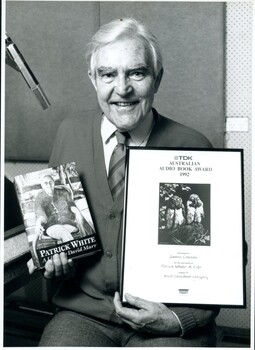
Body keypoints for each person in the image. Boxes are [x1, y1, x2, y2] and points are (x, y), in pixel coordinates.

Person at [27, 18, 220, 347]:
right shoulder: (69, 133)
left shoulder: (193, 146)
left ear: (156, 78)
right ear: (93, 79)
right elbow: (63, 235)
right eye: (108, 74)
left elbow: (219, 261)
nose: (122, 88)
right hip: (84, 317)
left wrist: (178, 319)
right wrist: (56, 263)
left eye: (136, 73)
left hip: (165, 318)